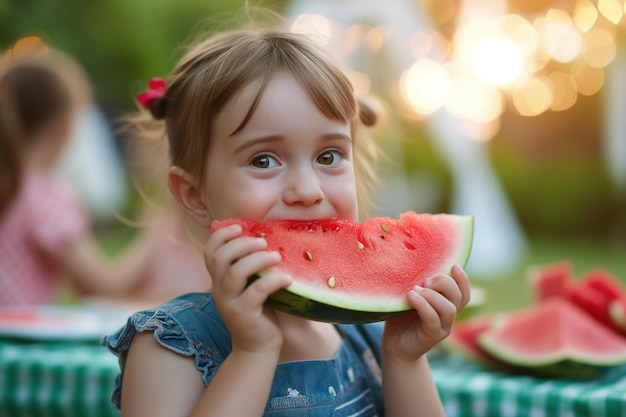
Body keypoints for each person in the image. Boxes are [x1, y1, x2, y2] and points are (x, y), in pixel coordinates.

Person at [103, 22, 471, 417]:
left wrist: (404, 360)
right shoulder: (169, 348)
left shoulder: (369, 338)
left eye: (328, 156)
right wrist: (253, 352)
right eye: (264, 160)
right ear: (195, 196)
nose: (308, 189)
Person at [0, 46, 160, 306]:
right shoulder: (44, 195)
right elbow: (103, 288)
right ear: (64, 126)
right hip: (16, 341)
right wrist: (157, 230)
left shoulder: (16, 187)